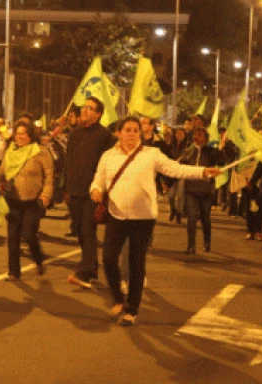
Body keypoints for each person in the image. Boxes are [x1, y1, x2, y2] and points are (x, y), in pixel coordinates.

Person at [91, 117, 220, 325]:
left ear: (140, 134)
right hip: (116, 214)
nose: (132, 133)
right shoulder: (108, 156)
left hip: (143, 218)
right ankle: (118, 298)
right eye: (127, 130)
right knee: (108, 259)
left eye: (135, 130)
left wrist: (203, 172)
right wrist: (95, 190)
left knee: (136, 263)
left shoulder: (151, 154)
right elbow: (98, 179)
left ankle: (132, 309)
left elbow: (175, 169)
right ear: (119, 133)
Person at [64, 97, 116, 289]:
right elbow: (68, 162)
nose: (84, 111)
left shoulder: (106, 137)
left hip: (93, 192)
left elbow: (109, 167)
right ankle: (92, 268)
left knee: (87, 230)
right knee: (79, 229)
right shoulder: (75, 134)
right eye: (83, 108)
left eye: (89, 108)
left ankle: (85, 272)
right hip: (74, 190)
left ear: (98, 114)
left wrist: (103, 190)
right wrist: (65, 187)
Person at [0, 121, 54, 281]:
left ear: (31, 135)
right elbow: (1, 172)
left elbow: (49, 176)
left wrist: (46, 195)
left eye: (23, 134)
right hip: (13, 199)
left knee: (28, 234)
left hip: (33, 201)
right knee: (12, 237)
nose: (19, 136)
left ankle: (38, 258)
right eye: (17, 133)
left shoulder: (40, 151)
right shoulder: (10, 151)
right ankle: (13, 271)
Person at [179, 127, 223, 253]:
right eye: (196, 135)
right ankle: (191, 245)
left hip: (206, 190)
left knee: (205, 218)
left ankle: (207, 242)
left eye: (201, 135)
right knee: (191, 218)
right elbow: (180, 167)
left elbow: (221, 162)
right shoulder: (188, 151)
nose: (198, 138)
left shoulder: (211, 151)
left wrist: (221, 149)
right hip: (191, 189)